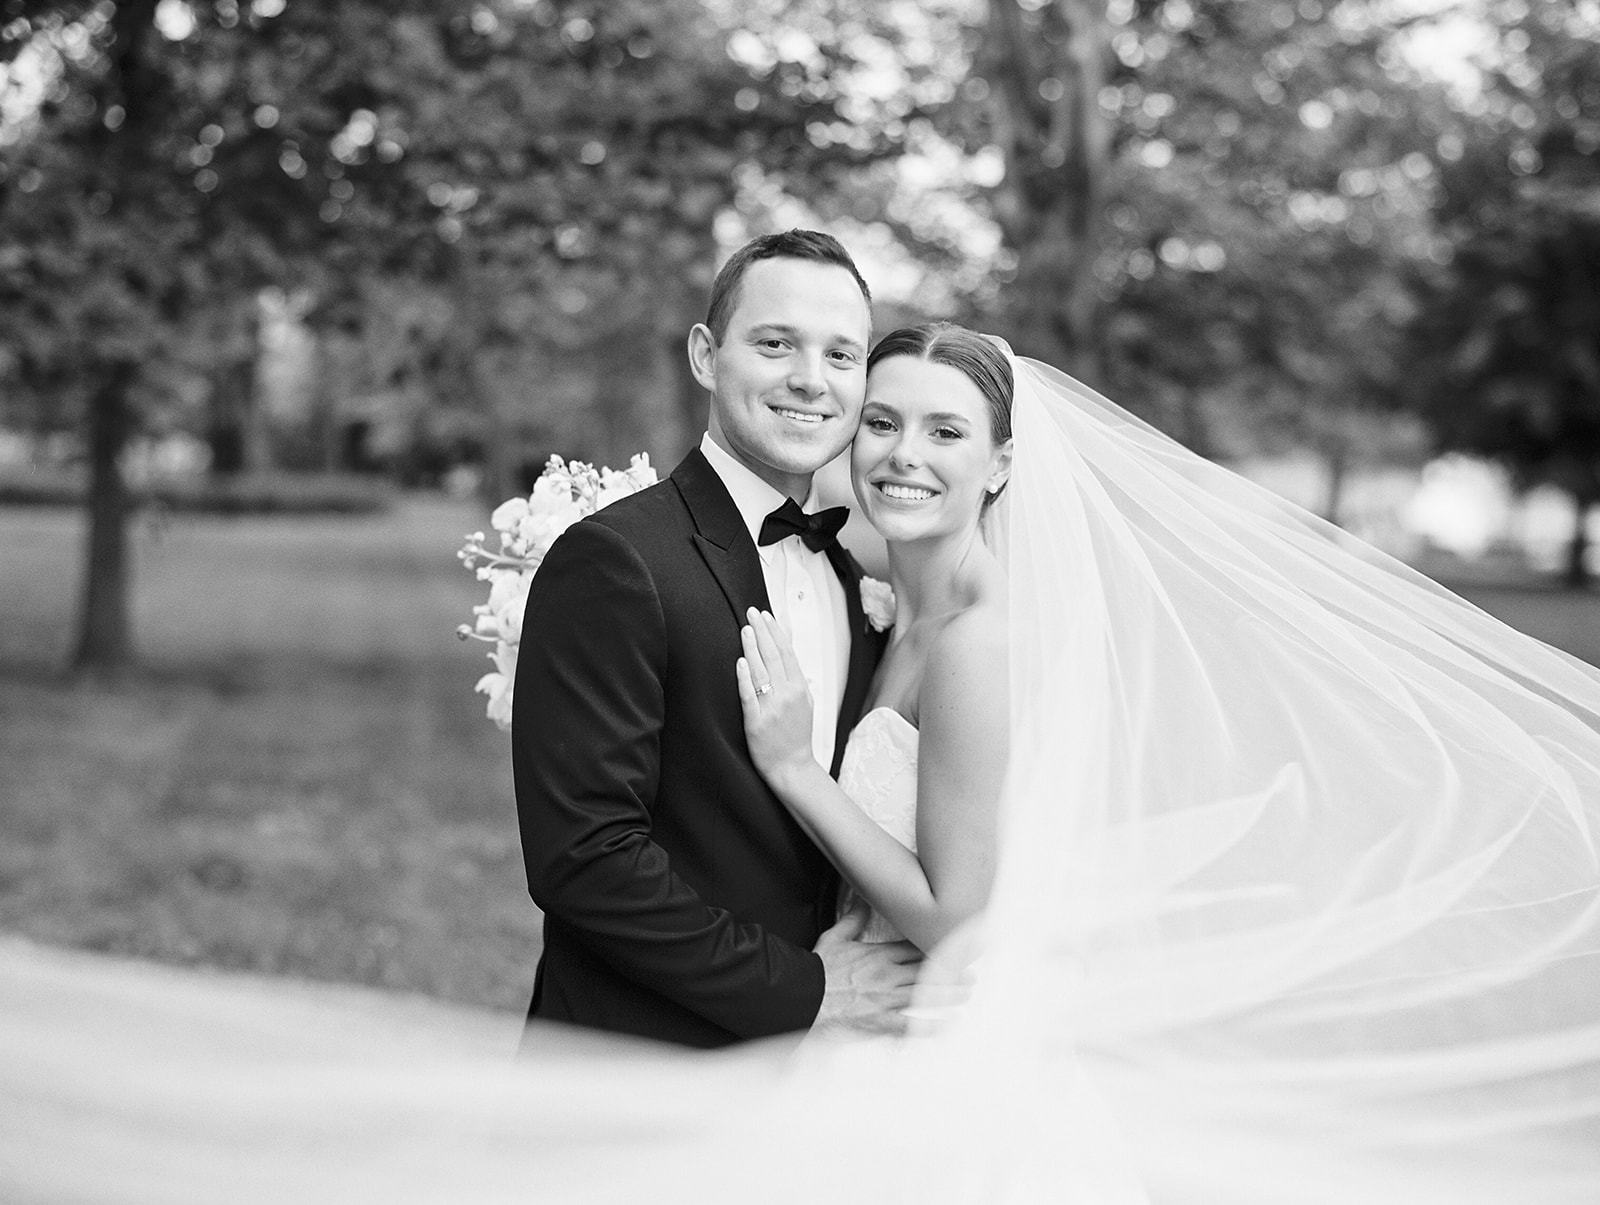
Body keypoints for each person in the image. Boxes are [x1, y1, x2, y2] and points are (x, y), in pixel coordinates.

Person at [510, 229, 919, 1048]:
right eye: (775, 344)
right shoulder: (617, 560)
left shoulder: (853, 580)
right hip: (637, 1071)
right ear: (706, 354)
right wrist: (805, 991)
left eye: (842, 355)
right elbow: (585, 858)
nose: (810, 378)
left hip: (812, 1095)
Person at [735, 324, 1014, 955]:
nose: (904, 455)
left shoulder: (976, 644)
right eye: (882, 422)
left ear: (999, 463)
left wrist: (796, 769)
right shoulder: (881, 608)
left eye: (945, 431)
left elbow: (955, 920)